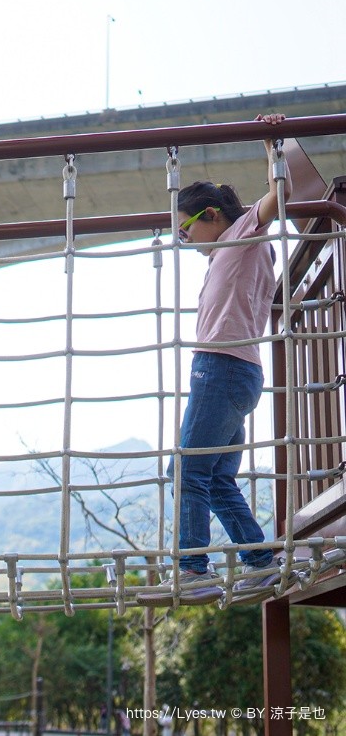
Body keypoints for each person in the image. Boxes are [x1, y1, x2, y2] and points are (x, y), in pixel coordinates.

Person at [138, 113, 292, 606]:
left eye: (185, 230)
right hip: (239, 372)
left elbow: (276, 197)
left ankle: (191, 570)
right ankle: (262, 563)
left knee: (185, 471)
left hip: (220, 368)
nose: (185, 241)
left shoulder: (243, 235)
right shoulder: (233, 248)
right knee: (216, 476)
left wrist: (273, 141)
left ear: (209, 215)